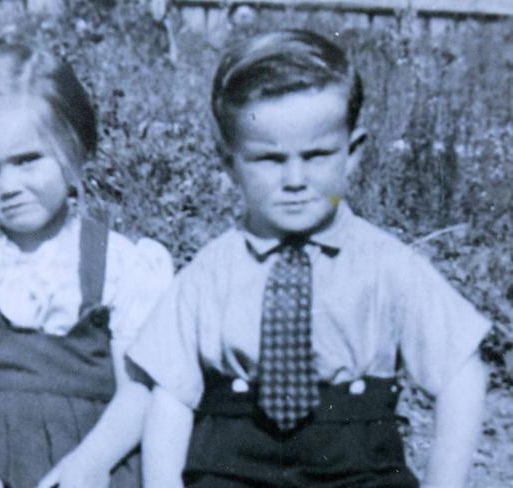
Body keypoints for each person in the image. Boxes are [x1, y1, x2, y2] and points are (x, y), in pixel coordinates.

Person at [127, 29, 490, 488]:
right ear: (229, 161)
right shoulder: (211, 270)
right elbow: (172, 394)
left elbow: (461, 370)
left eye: (317, 155)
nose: (295, 179)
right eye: (268, 159)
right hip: (233, 465)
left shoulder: (386, 264)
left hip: (358, 466)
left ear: (352, 152)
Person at [0, 38, 173, 488]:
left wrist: (94, 462)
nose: (9, 186)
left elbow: (137, 390)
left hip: (79, 468)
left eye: (27, 161)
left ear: (74, 148)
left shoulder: (119, 266)